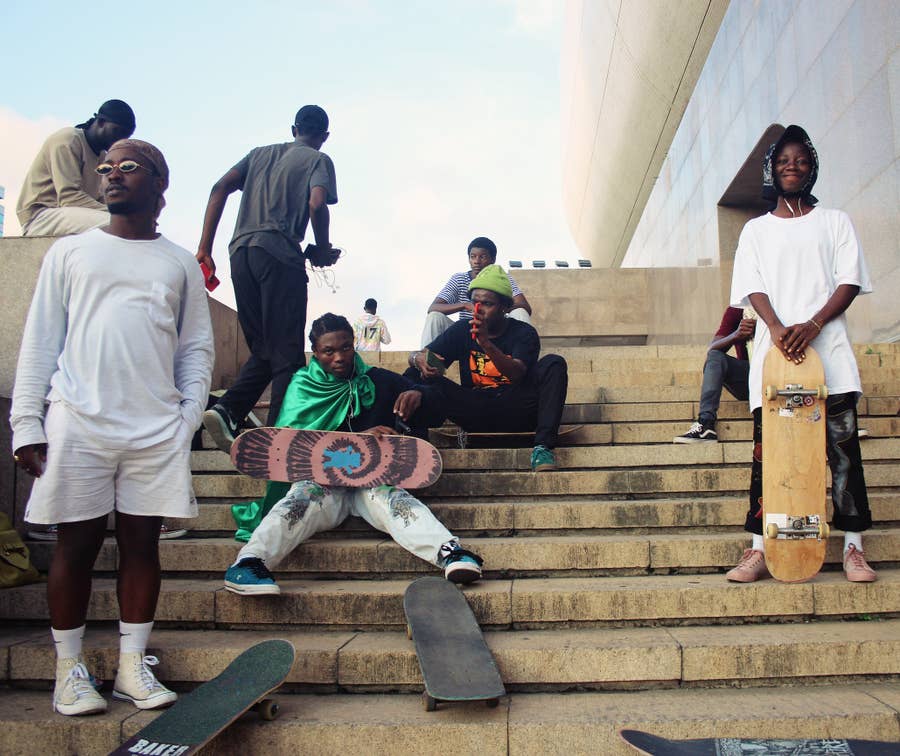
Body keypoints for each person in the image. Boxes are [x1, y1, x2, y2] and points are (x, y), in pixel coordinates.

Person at [10, 139, 214, 715]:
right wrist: (27, 423)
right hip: (78, 421)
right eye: (105, 168)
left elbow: (197, 349)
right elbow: (40, 341)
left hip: (154, 429)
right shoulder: (71, 253)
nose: (112, 175)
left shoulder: (177, 261)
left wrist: (185, 419)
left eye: (129, 167)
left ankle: (131, 667)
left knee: (142, 545)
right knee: (74, 545)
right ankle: (69, 670)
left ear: (159, 186)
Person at [224, 314, 483, 595]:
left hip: (369, 483)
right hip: (322, 484)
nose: (339, 357)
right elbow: (295, 448)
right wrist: (358, 441)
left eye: (346, 347)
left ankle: (451, 553)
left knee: (395, 500)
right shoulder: (302, 386)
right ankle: (249, 563)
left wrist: (420, 395)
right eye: (328, 351)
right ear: (316, 352)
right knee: (299, 500)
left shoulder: (378, 380)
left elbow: (437, 404)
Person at [726, 124, 875, 584]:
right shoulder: (755, 230)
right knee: (768, 456)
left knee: (843, 454)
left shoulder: (835, 222)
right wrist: (775, 327)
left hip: (829, 358)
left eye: (802, 160)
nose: (793, 167)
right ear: (772, 169)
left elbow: (848, 282)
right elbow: (752, 288)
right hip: (775, 362)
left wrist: (811, 326)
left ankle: (853, 547)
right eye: (784, 161)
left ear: (812, 168)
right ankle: (758, 548)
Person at [198, 105, 339, 452]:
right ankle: (279, 440)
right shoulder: (319, 160)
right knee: (288, 356)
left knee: (263, 350)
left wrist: (204, 248)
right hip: (280, 254)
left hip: (240, 252)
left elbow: (219, 187)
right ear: (324, 136)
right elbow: (317, 204)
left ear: (294, 128)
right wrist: (321, 248)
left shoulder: (259, 154)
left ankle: (227, 410)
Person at [408, 264, 567, 472]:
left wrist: (486, 344)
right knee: (415, 378)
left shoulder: (523, 333)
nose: (478, 310)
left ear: (505, 307)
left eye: (487, 304)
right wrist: (416, 358)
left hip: (517, 408)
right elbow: (429, 359)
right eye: (474, 302)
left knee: (554, 363)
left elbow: (517, 373)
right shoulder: (462, 330)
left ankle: (542, 447)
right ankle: (411, 445)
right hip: (475, 408)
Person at [17, 100, 136, 237]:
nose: (120, 140)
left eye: (126, 136)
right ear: (101, 122)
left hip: (72, 214)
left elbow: (100, 200)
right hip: (41, 217)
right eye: (117, 132)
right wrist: (117, 213)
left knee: (132, 223)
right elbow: (69, 198)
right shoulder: (68, 139)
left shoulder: (104, 157)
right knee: (119, 223)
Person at [420, 236, 532, 348]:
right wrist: (464, 305)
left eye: (482, 257)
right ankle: (426, 359)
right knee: (434, 316)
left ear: (493, 259)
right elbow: (433, 307)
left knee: (520, 312)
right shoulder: (460, 279)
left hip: (496, 332)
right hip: (466, 332)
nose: (476, 262)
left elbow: (524, 306)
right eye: (473, 257)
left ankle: (524, 354)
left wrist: (498, 308)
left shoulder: (502, 279)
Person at [673, 307, 754, 443]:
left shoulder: (780, 304)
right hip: (748, 379)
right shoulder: (738, 309)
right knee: (715, 356)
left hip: (779, 375)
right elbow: (713, 347)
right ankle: (706, 423)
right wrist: (736, 335)